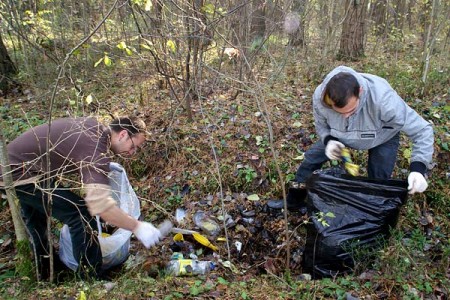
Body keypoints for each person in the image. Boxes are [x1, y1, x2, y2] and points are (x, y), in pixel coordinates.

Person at [0, 116, 165, 280]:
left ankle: (46, 271)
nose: (132, 152)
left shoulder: (93, 128)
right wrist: (137, 227)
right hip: (18, 174)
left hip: (23, 167)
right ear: (122, 135)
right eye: (133, 146)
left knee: (37, 217)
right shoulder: (95, 149)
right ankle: (89, 277)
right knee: (80, 213)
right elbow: (99, 206)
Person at [268, 65, 434, 210]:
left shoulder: (384, 99)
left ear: (360, 92)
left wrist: (418, 169)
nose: (346, 116)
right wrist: (328, 140)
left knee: (378, 178)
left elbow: (422, 130)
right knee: (311, 159)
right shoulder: (321, 97)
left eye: (351, 110)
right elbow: (321, 124)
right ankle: (293, 201)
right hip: (340, 135)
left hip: (382, 136)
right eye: (339, 112)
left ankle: (369, 214)